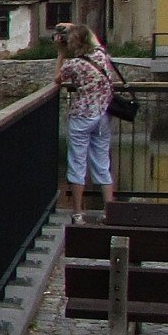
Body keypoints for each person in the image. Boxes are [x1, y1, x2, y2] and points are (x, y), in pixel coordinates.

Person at [56, 23, 118, 220]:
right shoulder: (100, 55)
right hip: (103, 116)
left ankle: (78, 213)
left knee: (77, 163)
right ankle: (110, 212)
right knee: (102, 164)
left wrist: (60, 53)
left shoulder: (74, 64)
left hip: (81, 117)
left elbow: (56, 80)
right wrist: (76, 27)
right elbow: (94, 39)